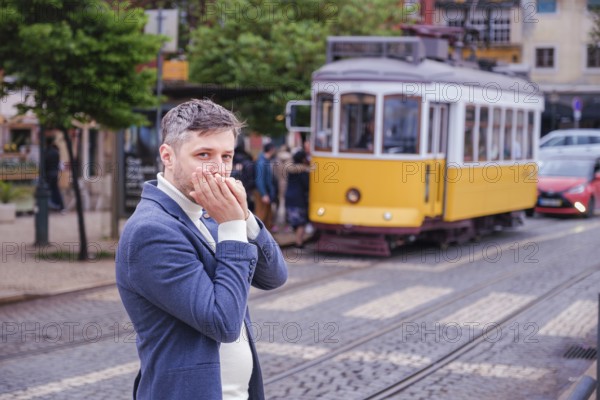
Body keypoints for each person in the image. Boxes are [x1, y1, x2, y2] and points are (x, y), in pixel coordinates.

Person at [116, 99, 288, 400]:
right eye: (203, 155)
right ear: (167, 156)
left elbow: (274, 276)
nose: (218, 169)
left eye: (227, 156)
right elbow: (222, 323)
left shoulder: (209, 215)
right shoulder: (152, 231)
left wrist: (244, 218)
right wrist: (232, 227)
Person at [285, 150, 310, 248]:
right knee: (301, 223)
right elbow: (307, 185)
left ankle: (297, 240)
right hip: (299, 199)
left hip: (289, 197)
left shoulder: (291, 170)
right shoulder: (303, 171)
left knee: (295, 222)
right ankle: (299, 243)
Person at [253, 142, 277, 230]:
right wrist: (263, 194)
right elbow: (259, 180)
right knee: (261, 215)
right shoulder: (262, 162)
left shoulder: (265, 160)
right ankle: (256, 238)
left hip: (266, 192)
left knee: (267, 215)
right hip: (262, 192)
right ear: (271, 150)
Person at [231, 143, 256, 212]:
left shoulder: (234, 160)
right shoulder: (248, 160)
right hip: (247, 189)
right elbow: (251, 178)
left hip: (236, 188)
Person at [45, 137, 64, 211]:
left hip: (48, 173)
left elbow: (45, 164)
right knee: (56, 190)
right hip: (55, 173)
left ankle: (48, 206)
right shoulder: (56, 152)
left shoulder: (46, 152)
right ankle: (61, 206)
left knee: (47, 191)